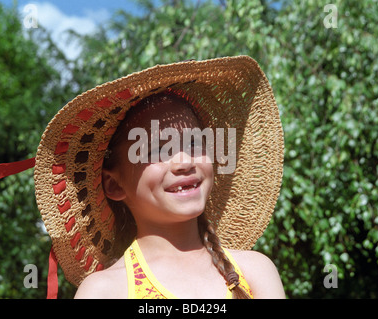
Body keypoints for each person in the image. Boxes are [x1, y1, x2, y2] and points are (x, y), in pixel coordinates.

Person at [33, 56, 286, 299]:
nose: (184, 162)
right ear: (114, 184)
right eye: (157, 150)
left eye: (195, 143)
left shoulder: (255, 273)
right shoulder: (105, 291)